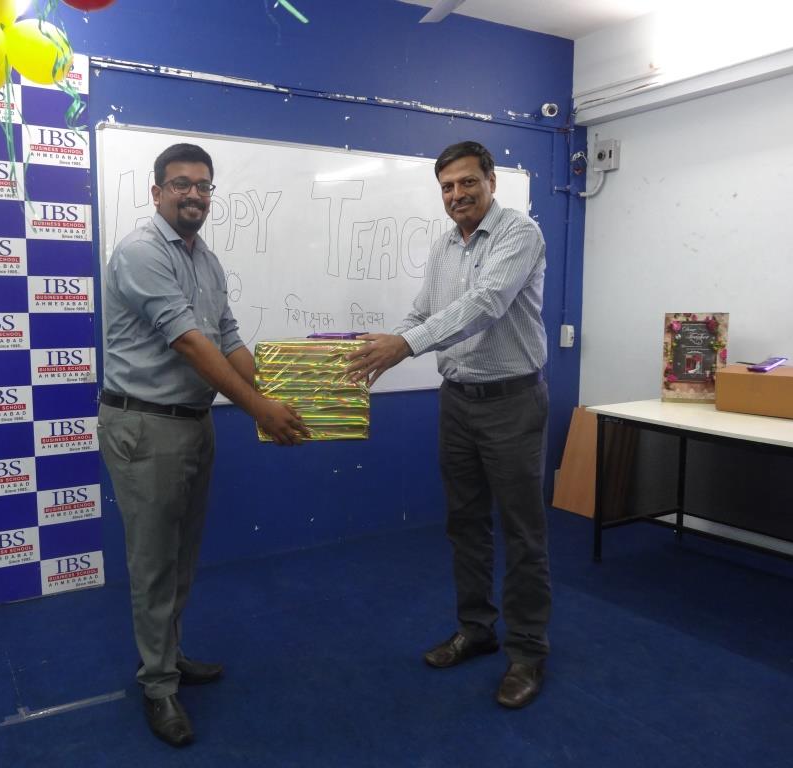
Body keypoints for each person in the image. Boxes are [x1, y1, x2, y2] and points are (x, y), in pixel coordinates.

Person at [98, 143, 308, 747]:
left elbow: (229, 338)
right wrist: (260, 408)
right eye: (180, 183)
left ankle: (168, 655)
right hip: (146, 426)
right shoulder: (142, 251)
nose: (193, 194)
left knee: (181, 556)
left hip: (192, 422)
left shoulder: (206, 261)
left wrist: (282, 393)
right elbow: (190, 343)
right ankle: (158, 686)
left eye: (203, 185)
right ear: (157, 191)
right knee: (154, 562)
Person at [345, 140, 551, 709]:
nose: (457, 195)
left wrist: (405, 345)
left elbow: (486, 303)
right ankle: (477, 629)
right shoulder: (444, 246)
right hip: (457, 402)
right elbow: (425, 311)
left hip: (512, 402)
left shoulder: (519, 234)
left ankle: (528, 651)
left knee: (523, 532)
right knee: (465, 524)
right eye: (447, 187)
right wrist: (381, 345)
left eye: (467, 182)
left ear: (491, 182)